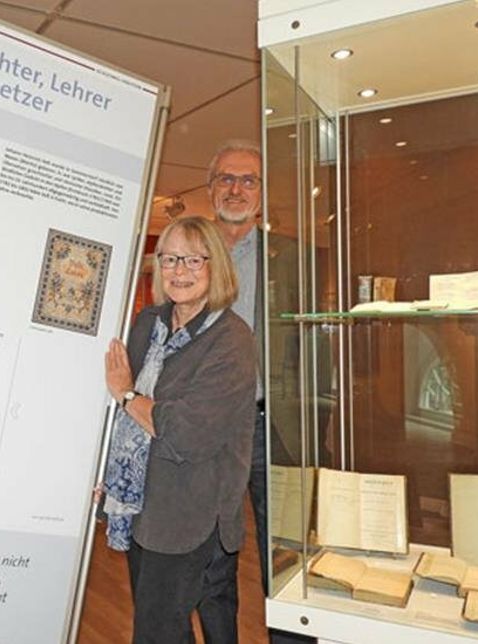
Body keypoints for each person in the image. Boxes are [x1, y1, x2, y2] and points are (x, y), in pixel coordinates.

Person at [102, 216, 256, 643]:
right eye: (169, 259)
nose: (179, 271)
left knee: (157, 633)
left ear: (216, 266)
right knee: (160, 627)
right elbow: (122, 423)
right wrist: (109, 477)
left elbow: (187, 434)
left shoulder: (232, 340)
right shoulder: (148, 323)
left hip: (188, 515)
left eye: (193, 259)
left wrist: (128, 395)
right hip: (140, 504)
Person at [208, 140, 310, 644]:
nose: (237, 188)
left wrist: (318, 423)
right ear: (211, 189)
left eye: (249, 180)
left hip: (272, 425)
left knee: (286, 555)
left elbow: (311, 348)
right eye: (227, 178)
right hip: (207, 428)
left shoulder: (292, 258)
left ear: (263, 194)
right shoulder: (189, 250)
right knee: (211, 559)